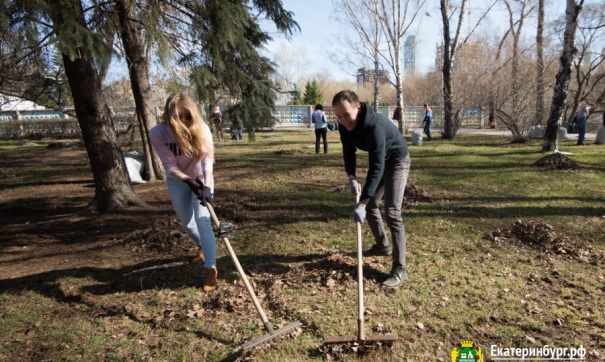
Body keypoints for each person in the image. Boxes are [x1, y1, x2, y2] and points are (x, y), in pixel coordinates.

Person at [333, 90, 411, 289]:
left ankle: (399, 268)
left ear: (357, 107)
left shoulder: (375, 126)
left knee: (392, 212)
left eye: (346, 115)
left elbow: (377, 168)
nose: (343, 120)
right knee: (371, 205)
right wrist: (351, 177)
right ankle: (382, 245)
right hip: (382, 161)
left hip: (397, 161)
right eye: (338, 116)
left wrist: (361, 202)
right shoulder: (344, 125)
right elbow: (348, 151)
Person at [150, 92, 218, 292]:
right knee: (188, 224)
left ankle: (210, 269)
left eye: (187, 116)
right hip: (178, 181)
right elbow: (169, 166)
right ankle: (202, 246)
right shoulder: (158, 133)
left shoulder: (202, 128)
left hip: (202, 178)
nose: (184, 121)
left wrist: (206, 185)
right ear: (170, 116)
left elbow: (207, 158)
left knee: (203, 220)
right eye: (178, 117)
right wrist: (187, 180)